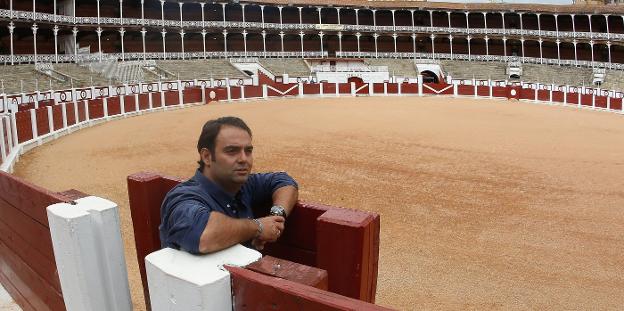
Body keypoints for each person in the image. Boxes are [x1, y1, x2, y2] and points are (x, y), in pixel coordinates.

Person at [160, 116, 299, 254]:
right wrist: (259, 227)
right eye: (232, 151)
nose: (244, 159)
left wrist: (276, 215)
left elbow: (283, 180)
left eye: (248, 151)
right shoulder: (184, 197)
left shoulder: (242, 184)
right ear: (207, 157)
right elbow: (203, 234)